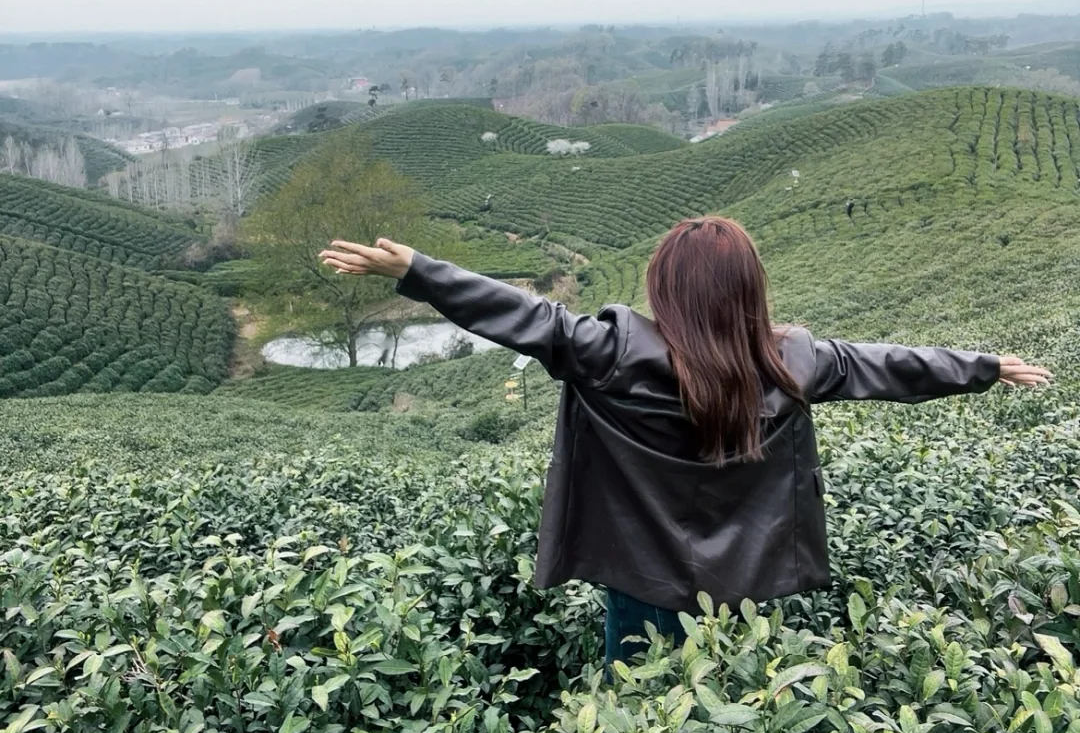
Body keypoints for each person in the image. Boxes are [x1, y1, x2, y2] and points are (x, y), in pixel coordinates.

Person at [320, 218, 1051, 672]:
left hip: (641, 575)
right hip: (750, 576)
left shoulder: (610, 351)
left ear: (664, 289)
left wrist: (419, 273)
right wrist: (982, 368)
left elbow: (524, 317)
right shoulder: (795, 360)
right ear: (750, 291)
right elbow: (887, 364)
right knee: (739, 702)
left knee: (638, 713)